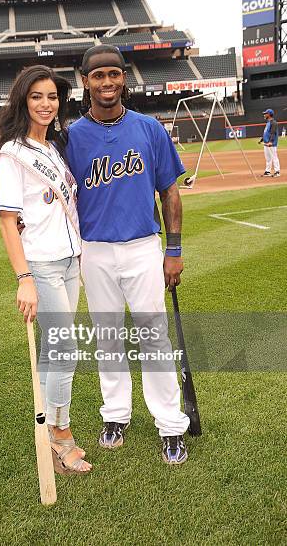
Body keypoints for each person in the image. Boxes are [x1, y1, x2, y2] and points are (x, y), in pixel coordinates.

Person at [65, 45, 190, 465]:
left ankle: (171, 425)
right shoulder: (71, 137)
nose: (107, 83)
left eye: (114, 74)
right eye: (98, 76)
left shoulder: (149, 128)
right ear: (86, 81)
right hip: (95, 251)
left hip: (142, 248)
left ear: (124, 78)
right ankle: (115, 415)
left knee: (154, 338)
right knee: (108, 340)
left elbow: (169, 192)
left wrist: (173, 250)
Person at [0, 65, 91, 475]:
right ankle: (60, 432)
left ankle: (51, 425)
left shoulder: (54, 148)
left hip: (71, 260)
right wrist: (25, 278)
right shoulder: (12, 154)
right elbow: (6, 221)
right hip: (42, 264)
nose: (46, 104)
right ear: (23, 100)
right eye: (37, 97)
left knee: (54, 352)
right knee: (65, 351)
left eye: (52, 97)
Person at [259, 109, 280, 177]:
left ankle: (277, 171)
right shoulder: (268, 122)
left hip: (271, 144)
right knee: (268, 158)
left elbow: (273, 133)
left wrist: (270, 142)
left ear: (269, 114)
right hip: (266, 143)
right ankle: (267, 171)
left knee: (274, 157)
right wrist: (262, 140)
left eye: (265, 113)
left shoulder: (273, 122)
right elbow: (266, 132)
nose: (264, 115)